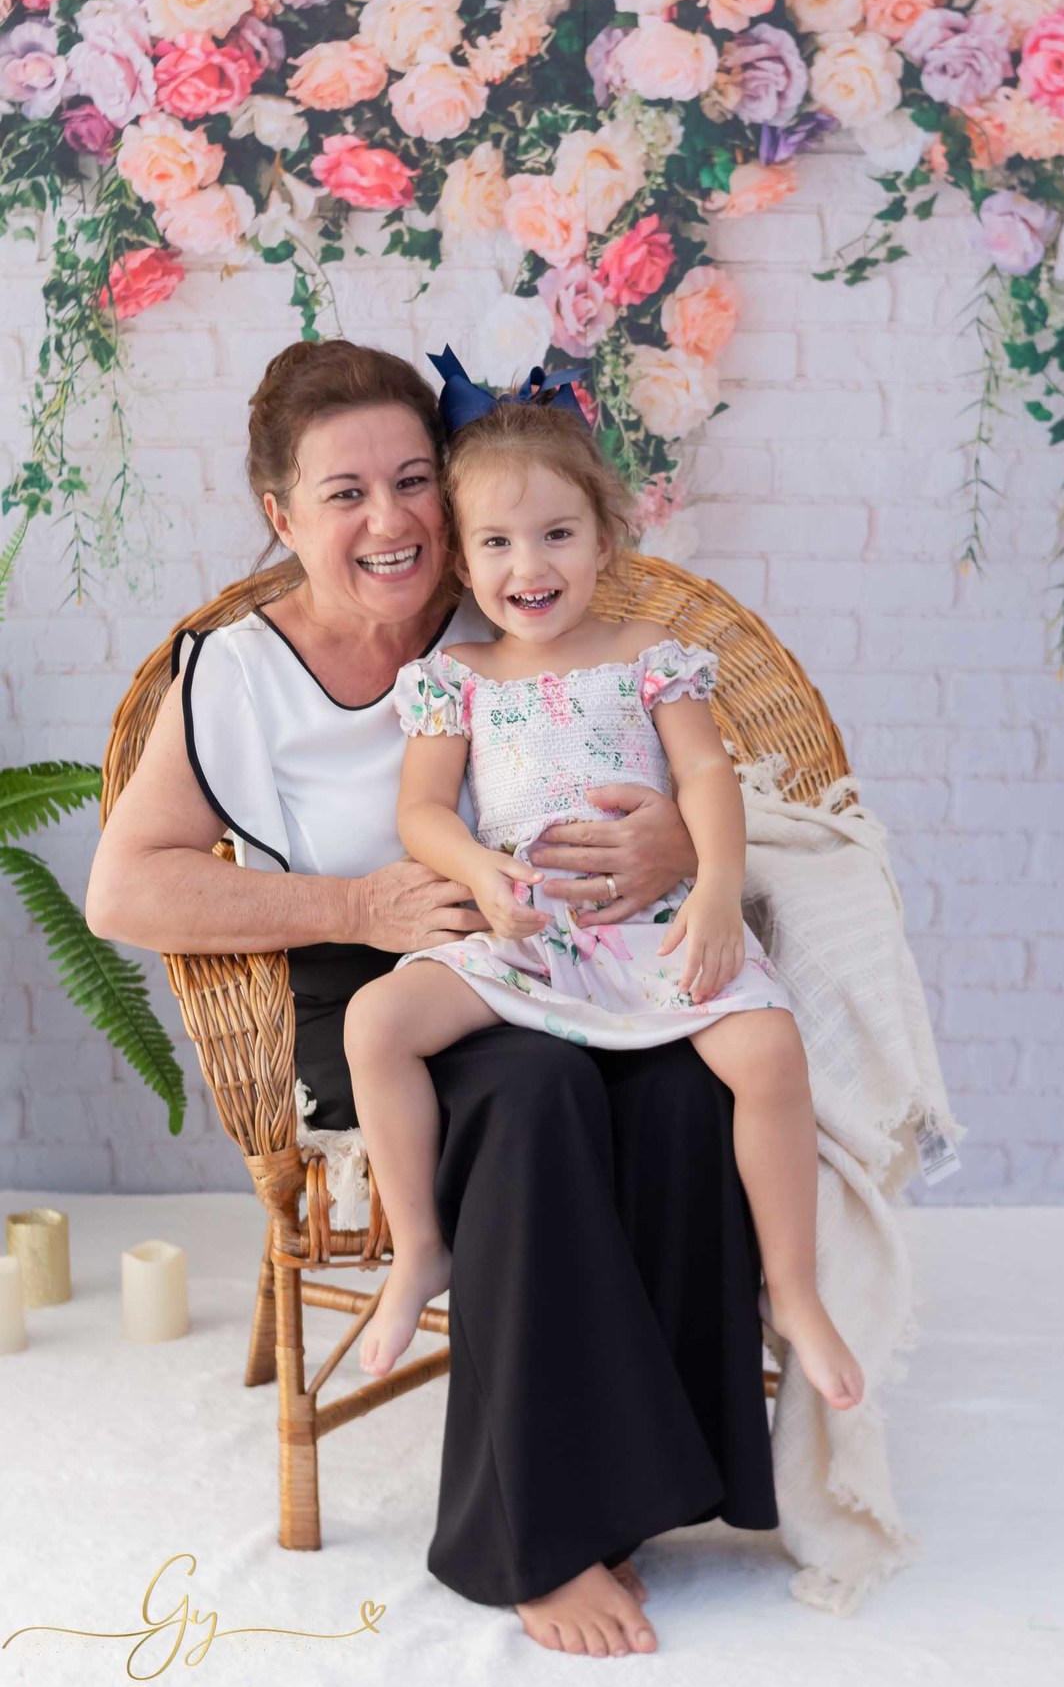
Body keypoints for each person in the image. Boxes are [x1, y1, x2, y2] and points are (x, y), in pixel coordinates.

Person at [85, 337, 780, 1659]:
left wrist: (675, 851)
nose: (392, 520)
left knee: (683, 1089)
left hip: (570, 947)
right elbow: (124, 890)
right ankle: (526, 1536)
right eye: (344, 493)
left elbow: (684, 768)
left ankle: (659, 1482)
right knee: (533, 1097)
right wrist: (360, 907)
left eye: (413, 480)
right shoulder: (235, 672)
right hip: (374, 982)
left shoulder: (516, 599)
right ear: (281, 513)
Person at [345, 354, 865, 1422]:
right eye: (496, 542)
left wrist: (716, 892)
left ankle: (794, 1289)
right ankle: (420, 1248)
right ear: (462, 559)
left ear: (604, 541)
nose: (528, 564)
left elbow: (707, 776)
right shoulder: (458, 681)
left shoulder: (648, 655)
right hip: (528, 934)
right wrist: (480, 871)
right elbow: (423, 813)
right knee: (376, 1022)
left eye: (556, 534)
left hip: (650, 926)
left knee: (770, 1051)